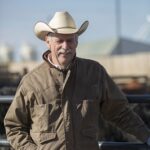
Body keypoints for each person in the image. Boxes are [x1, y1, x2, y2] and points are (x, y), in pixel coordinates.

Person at [4, 11, 150, 150]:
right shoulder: (31, 82)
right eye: (59, 40)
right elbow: (14, 126)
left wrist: (146, 136)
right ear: (48, 41)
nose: (65, 46)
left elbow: (119, 111)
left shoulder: (94, 73)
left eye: (70, 40)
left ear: (77, 41)